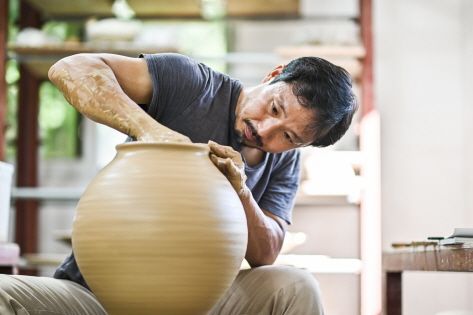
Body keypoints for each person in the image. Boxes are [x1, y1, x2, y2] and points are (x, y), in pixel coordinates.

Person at [0, 52, 357, 315]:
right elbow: (71, 68)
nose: (265, 130)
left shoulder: (284, 159)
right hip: (96, 298)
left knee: (296, 287)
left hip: (198, 303)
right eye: (275, 109)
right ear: (274, 74)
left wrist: (240, 190)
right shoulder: (193, 85)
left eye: (289, 136)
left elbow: (265, 254)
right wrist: (150, 130)